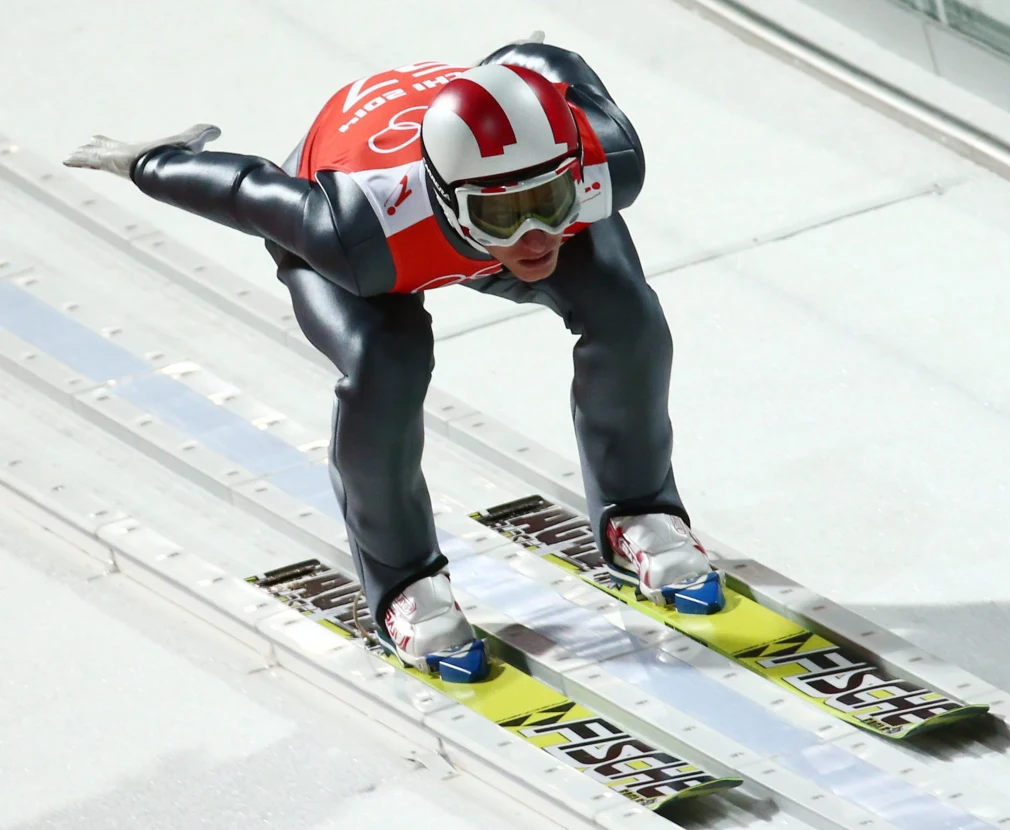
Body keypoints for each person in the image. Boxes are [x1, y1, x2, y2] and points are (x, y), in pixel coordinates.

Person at [63, 34, 725, 684]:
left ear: (575, 171)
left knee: (628, 315)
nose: (533, 239)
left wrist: (506, 72)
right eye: (502, 216)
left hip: (448, 210)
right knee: (386, 363)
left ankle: (639, 509)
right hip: (374, 231)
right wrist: (153, 161)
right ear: (445, 199)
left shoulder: (609, 159)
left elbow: (557, 66)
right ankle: (404, 583)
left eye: (549, 204)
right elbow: (246, 190)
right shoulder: (353, 227)